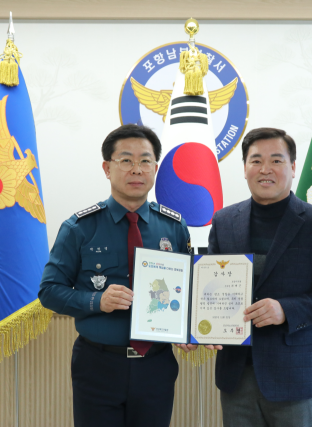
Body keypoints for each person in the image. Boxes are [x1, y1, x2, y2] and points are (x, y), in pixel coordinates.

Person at [38, 124, 194, 427]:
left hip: (156, 364)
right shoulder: (79, 228)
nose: (136, 169)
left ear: (155, 168)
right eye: (126, 160)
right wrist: (97, 301)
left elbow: (187, 291)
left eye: (145, 160)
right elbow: (49, 291)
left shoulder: (174, 227)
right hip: (98, 364)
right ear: (107, 168)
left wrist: (188, 330)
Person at [206, 127, 312, 427]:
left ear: (293, 167)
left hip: (293, 376)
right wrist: (205, 326)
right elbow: (209, 286)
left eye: (276, 160)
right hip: (236, 374)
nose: (265, 169)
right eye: (256, 161)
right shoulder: (223, 221)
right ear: (245, 168)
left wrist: (285, 309)